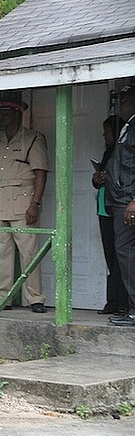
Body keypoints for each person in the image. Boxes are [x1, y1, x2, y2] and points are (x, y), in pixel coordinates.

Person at [0, 99, 49, 313]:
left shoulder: (32, 139)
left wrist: (35, 203)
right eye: (0, 113)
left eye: (7, 113)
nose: (2, 117)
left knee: (29, 252)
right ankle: (4, 297)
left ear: (18, 114)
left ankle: (35, 298)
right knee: (2, 253)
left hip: (23, 200)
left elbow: (40, 173)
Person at [106, 86, 135, 327]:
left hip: (129, 201)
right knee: (125, 254)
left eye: (124, 100)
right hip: (122, 200)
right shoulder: (128, 126)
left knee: (127, 254)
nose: (121, 104)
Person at [93, 115, 128, 316]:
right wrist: (97, 178)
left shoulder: (123, 151)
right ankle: (112, 301)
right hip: (104, 208)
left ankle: (122, 303)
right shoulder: (108, 153)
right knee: (110, 256)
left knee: (120, 257)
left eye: (106, 131)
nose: (104, 135)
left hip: (118, 207)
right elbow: (101, 180)